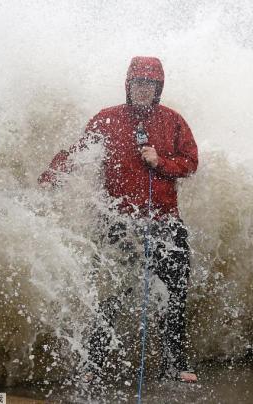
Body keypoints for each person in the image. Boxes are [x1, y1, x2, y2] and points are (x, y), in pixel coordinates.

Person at [38, 56, 199, 383]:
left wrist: (161, 161)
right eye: (138, 83)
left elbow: (191, 163)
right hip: (118, 224)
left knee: (175, 295)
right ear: (129, 85)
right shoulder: (107, 119)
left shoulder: (174, 121)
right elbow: (79, 152)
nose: (144, 89)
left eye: (150, 84)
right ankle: (92, 365)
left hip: (165, 223)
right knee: (109, 294)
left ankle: (174, 364)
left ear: (159, 87)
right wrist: (50, 178)